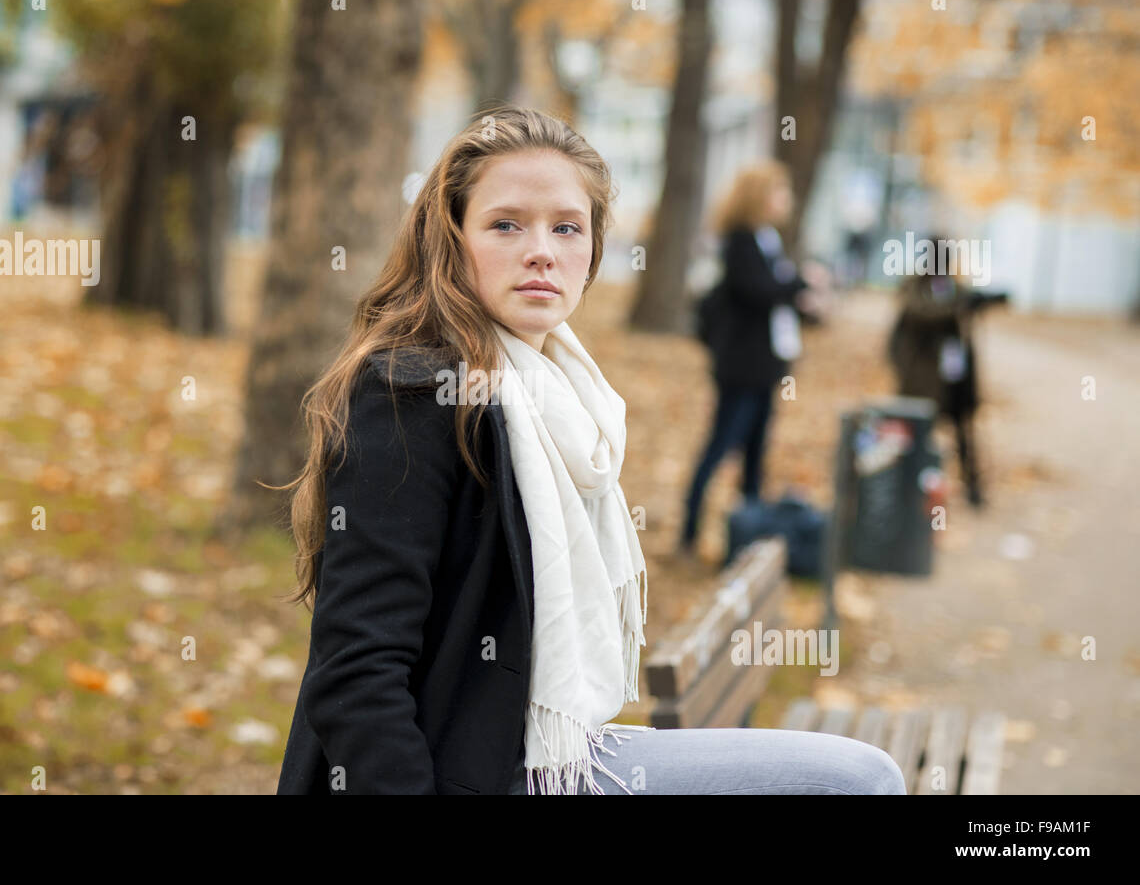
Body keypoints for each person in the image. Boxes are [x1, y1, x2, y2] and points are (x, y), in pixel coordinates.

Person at [274, 107, 903, 795]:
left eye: (567, 227)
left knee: (864, 777)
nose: (541, 249)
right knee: (857, 783)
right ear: (450, 242)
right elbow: (356, 674)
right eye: (506, 224)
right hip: (471, 775)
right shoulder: (412, 394)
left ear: (593, 252)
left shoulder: (565, 397)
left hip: (556, 754)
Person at [678, 160, 832, 560]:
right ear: (759, 196)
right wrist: (802, 283)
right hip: (741, 366)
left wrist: (805, 302)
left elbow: (775, 298)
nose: (786, 200)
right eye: (779, 192)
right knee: (721, 444)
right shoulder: (740, 241)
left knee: (755, 451)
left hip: (764, 366)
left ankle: (746, 534)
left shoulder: (767, 239)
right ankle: (689, 531)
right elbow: (758, 292)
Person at [887, 242, 1008, 507]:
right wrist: (961, 305)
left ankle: (972, 486)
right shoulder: (916, 285)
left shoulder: (951, 284)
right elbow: (923, 312)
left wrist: (982, 301)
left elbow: (962, 303)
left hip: (955, 374)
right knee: (918, 433)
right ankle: (909, 487)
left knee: (963, 429)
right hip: (925, 377)